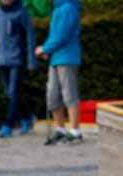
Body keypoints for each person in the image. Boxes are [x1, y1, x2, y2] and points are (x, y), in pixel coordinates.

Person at [0, 0, 38, 138]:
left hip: (17, 59)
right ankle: (27, 116)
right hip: (2, 60)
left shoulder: (22, 13)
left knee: (13, 92)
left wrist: (32, 62)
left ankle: (8, 125)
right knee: (10, 94)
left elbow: (30, 37)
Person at [34, 0, 84, 145]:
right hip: (56, 58)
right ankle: (61, 130)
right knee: (52, 96)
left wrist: (44, 49)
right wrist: (48, 50)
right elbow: (55, 35)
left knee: (70, 94)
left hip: (67, 57)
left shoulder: (67, 7)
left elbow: (62, 35)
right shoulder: (58, 8)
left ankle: (75, 132)